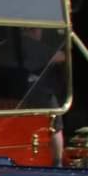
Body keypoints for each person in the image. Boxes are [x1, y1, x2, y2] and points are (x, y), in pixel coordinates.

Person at [19, 27, 68, 164]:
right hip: (39, 93)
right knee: (55, 127)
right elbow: (60, 56)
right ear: (35, 30)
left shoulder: (12, 45)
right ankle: (57, 162)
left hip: (20, 94)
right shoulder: (30, 44)